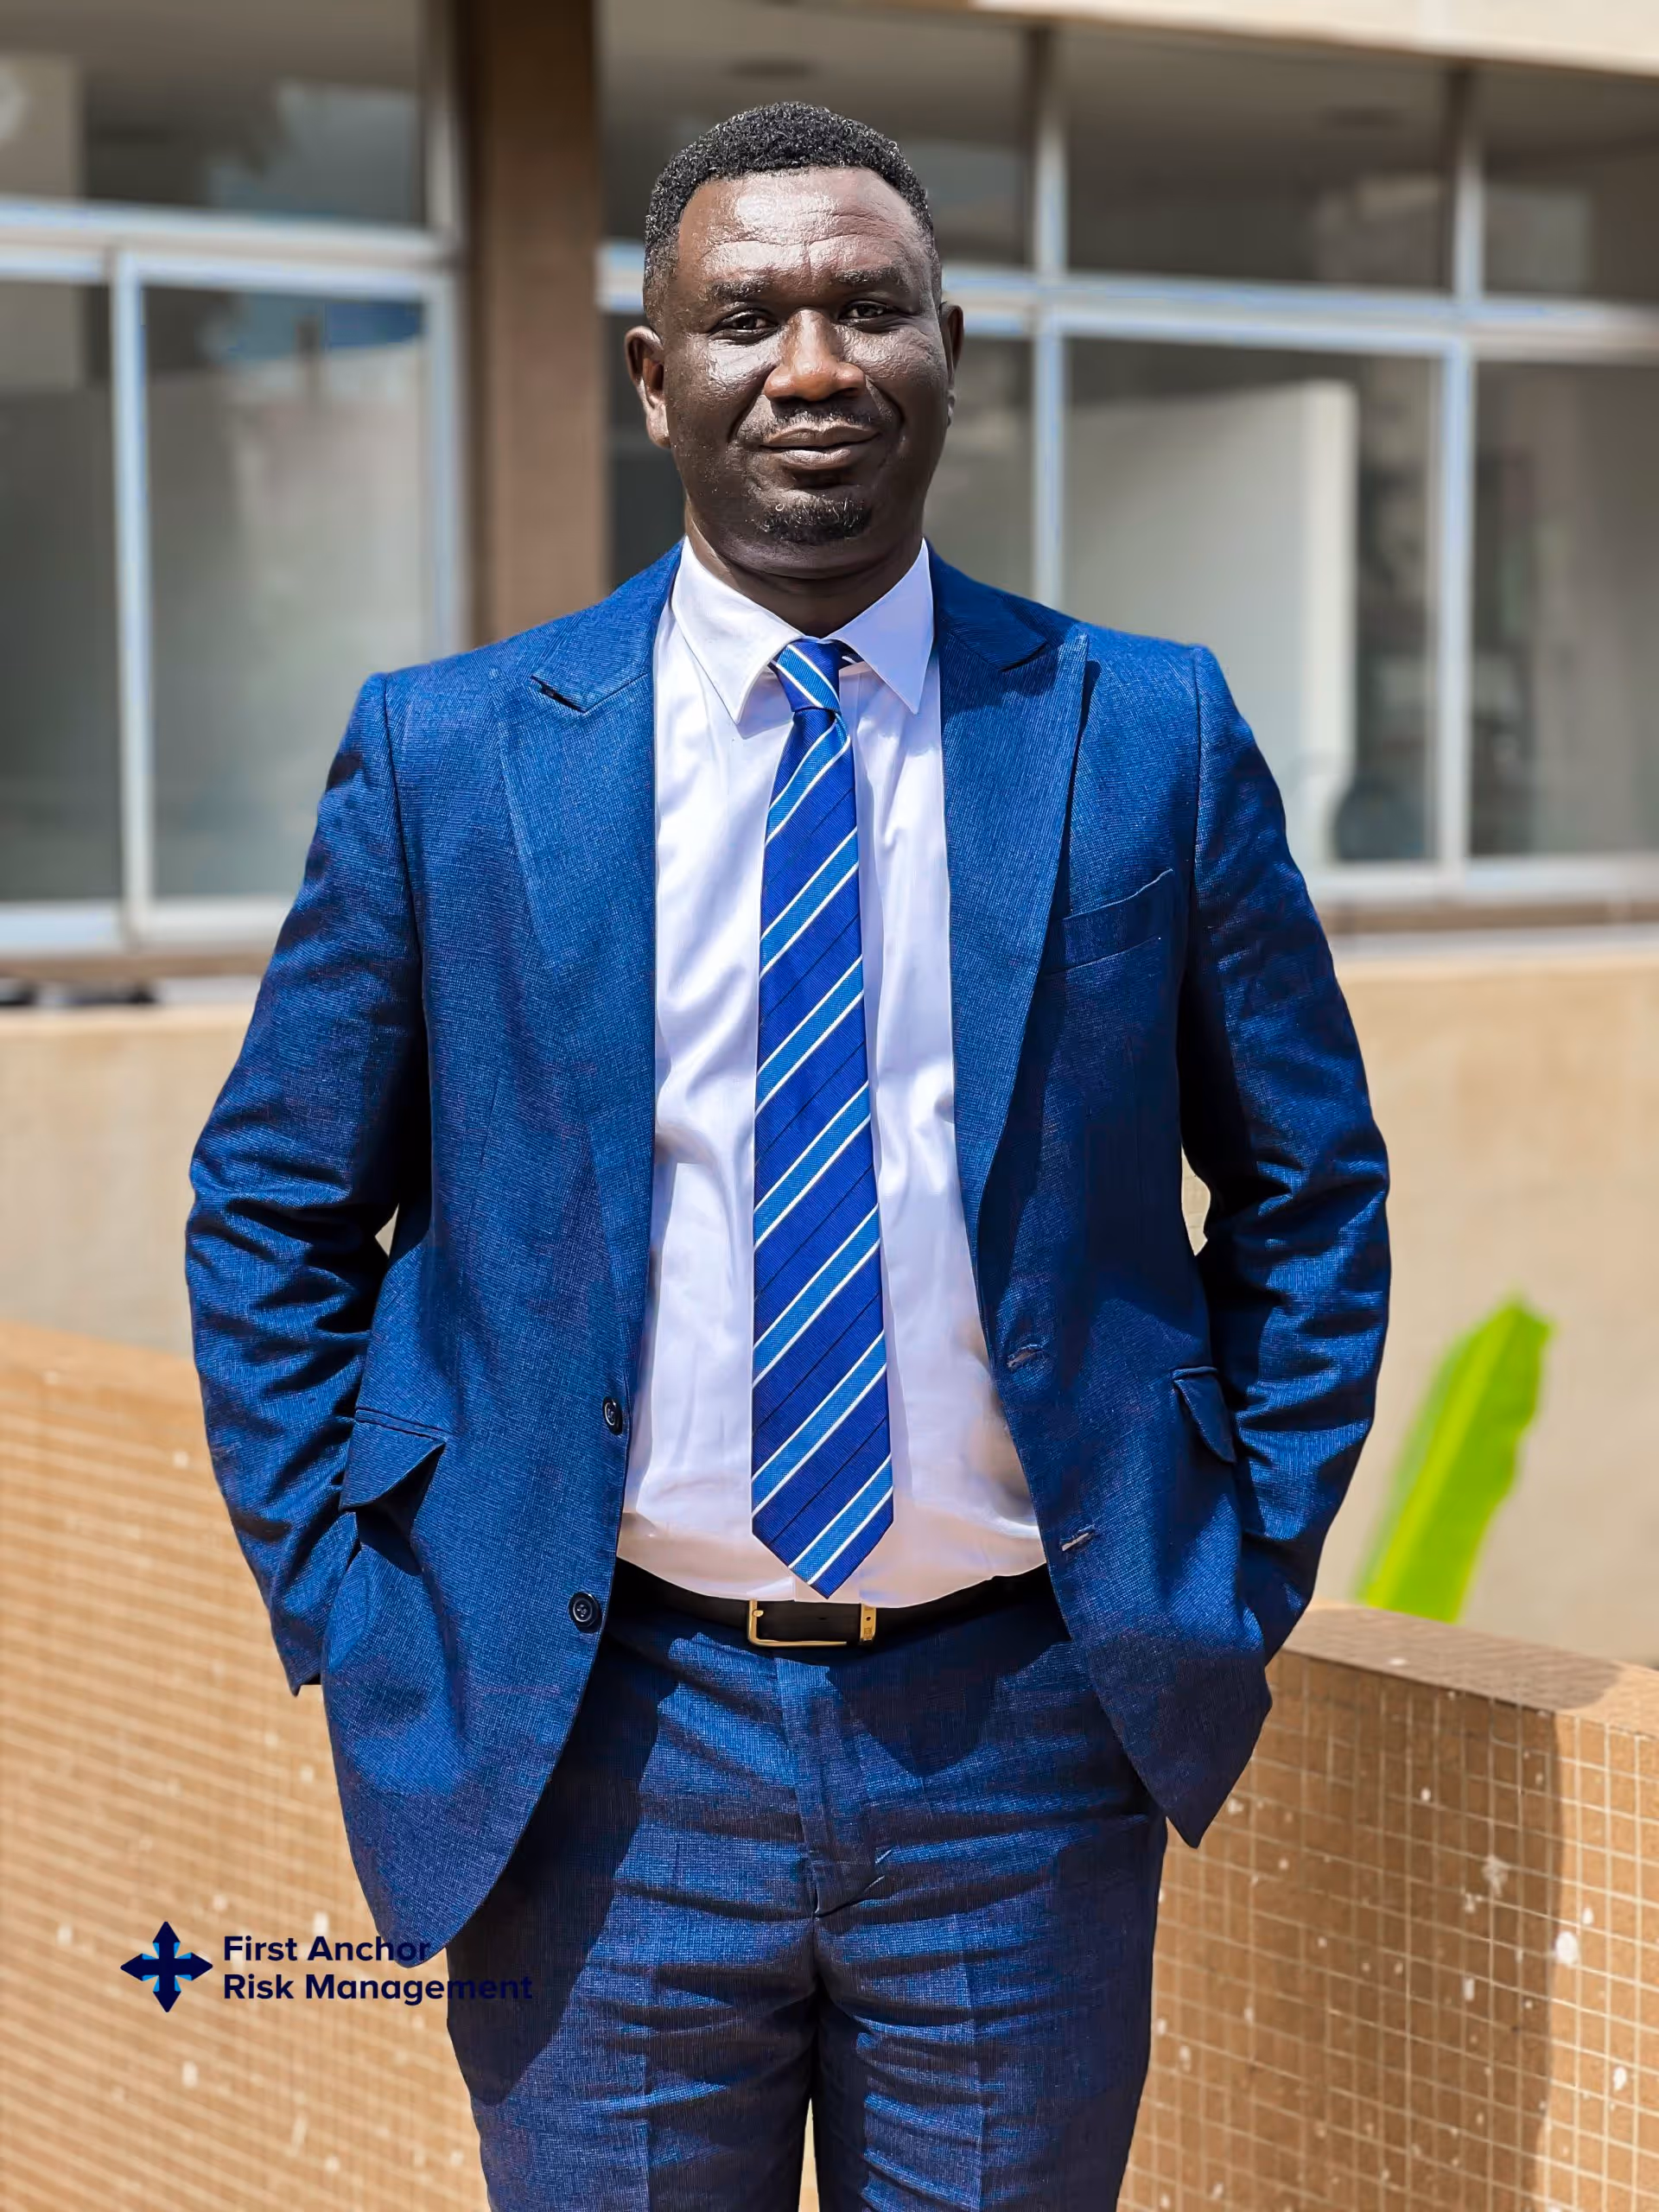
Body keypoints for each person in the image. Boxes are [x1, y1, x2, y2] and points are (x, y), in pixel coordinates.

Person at [187, 101, 1389, 2212]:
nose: (813, 364)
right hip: (600, 1749)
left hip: (1022, 1744)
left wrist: (1229, 1572)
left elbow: (1309, 1190)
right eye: (748, 317)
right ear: (657, 377)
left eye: (868, 307)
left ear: (950, 349)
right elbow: (274, 1206)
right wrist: (364, 1609)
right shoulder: (454, 756)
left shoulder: (1144, 733)